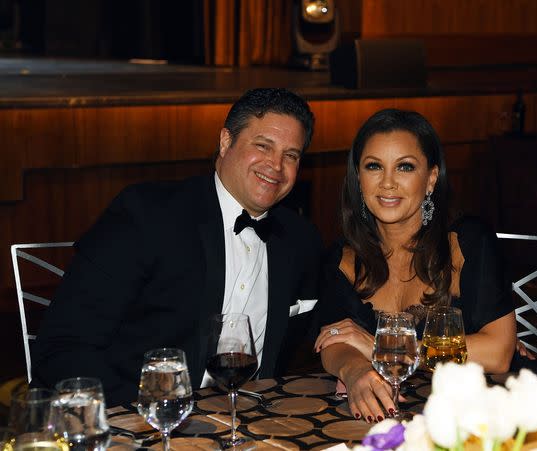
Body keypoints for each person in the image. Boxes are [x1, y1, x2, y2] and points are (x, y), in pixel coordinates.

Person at [31, 88, 323, 406]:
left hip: (246, 423)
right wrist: (152, 416)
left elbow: (326, 325)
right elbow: (62, 346)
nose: (276, 166)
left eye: (291, 155)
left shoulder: (300, 240)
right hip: (135, 417)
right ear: (226, 141)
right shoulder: (146, 215)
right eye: (263, 146)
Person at [314, 109, 516, 422]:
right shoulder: (345, 257)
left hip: (478, 417)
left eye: (405, 167)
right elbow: (332, 341)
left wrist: (385, 349)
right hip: (389, 418)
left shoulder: (466, 242)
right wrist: (354, 371)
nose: (388, 183)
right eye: (374, 167)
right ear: (358, 177)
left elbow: (499, 352)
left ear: (431, 178)